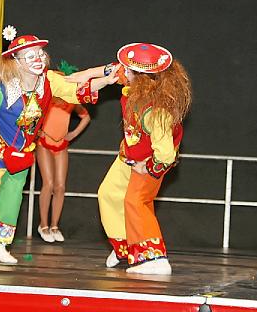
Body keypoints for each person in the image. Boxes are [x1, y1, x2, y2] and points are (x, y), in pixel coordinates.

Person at [0, 26, 119, 264]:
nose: (38, 59)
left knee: (12, 198)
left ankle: (0, 246)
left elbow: (75, 90)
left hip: (22, 153)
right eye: (30, 55)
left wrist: (105, 81)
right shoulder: (2, 89)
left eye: (40, 53)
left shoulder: (49, 82)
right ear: (16, 62)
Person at [68, 42, 191, 275]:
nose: (123, 72)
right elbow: (109, 71)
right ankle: (125, 247)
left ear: (143, 78)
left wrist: (150, 167)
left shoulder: (157, 111)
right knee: (108, 194)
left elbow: (166, 154)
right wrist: (81, 76)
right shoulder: (135, 81)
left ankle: (154, 258)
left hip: (150, 161)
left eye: (128, 70)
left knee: (136, 202)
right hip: (129, 155)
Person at [36, 60, 91, 243]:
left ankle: (54, 225)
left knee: (60, 186)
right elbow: (32, 113)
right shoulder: (48, 98)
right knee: (48, 184)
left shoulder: (71, 101)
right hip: (44, 143)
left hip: (61, 145)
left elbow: (86, 117)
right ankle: (43, 225)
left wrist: (73, 134)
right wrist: (38, 131)